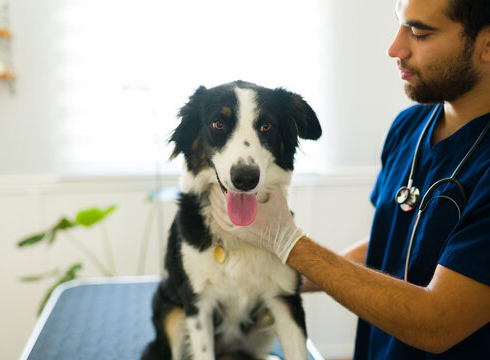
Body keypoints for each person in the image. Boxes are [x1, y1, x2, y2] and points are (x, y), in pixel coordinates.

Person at [209, 0, 490, 358]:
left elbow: (437, 322)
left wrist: (289, 243)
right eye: (401, 26)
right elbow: (393, 242)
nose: (395, 48)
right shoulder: (410, 127)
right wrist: (285, 276)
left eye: (419, 32)